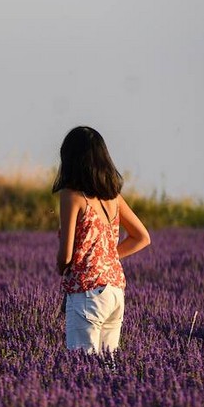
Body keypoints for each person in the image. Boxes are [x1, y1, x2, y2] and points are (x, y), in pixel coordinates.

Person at [54, 126, 151, 368]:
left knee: (82, 368)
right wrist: (106, 258)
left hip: (88, 292)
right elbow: (142, 237)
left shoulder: (71, 196)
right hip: (115, 291)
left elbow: (66, 256)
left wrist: (63, 265)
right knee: (108, 368)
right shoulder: (113, 198)